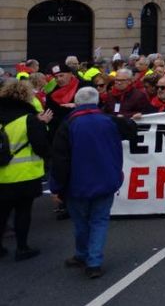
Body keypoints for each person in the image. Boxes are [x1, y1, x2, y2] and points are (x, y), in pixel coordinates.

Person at [50, 87, 137, 278]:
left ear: (76, 103)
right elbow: (131, 130)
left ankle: (83, 255)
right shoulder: (110, 121)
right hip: (106, 180)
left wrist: (56, 187)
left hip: (77, 184)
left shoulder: (68, 124)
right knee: (99, 221)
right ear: (97, 101)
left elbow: (60, 160)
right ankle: (94, 261)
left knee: (81, 222)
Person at [0, 80, 52, 260]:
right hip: (25, 173)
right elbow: (40, 147)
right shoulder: (29, 119)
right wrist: (43, 125)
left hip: (2, 173)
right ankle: (22, 248)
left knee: (2, 212)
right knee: (23, 212)